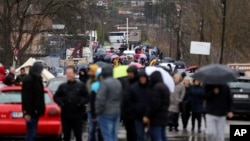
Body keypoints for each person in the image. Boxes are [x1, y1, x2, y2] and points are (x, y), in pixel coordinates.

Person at [54, 66, 89, 141]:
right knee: (66, 136)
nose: (68, 75)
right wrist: (61, 103)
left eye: (70, 73)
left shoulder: (80, 86)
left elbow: (87, 97)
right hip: (65, 115)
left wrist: (80, 103)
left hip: (77, 115)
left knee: (78, 135)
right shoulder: (63, 86)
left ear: (74, 74)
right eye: (67, 73)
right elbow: (56, 97)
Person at [95, 64, 123, 141]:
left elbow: (100, 98)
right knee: (114, 135)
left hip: (105, 112)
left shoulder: (104, 83)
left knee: (107, 135)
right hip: (117, 111)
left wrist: (97, 111)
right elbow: (121, 97)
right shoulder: (118, 82)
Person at [21, 62, 45, 141]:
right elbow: (26, 97)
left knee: (32, 133)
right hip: (31, 112)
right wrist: (27, 112)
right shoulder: (29, 80)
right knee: (30, 133)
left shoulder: (37, 79)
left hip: (35, 111)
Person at [143, 71, 170, 141]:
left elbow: (154, 104)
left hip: (156, 118)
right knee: (163, 136)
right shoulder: (165, 87)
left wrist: (147, 115)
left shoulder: (156, 88)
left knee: (157, 137)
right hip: (164, 115)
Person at [129, 70, 150, 141]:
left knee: (149, 136)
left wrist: (148, 115)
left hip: (149, 116)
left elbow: (153, 102)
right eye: (140, 77)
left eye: (144, 77)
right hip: (137, 117)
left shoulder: (150, 88)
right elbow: (131, 102)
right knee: (140, 136)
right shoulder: (134, 88)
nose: (142, 79)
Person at [120, 66, 138, 141]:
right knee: (129, 131)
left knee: (135, 132)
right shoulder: (125, 81)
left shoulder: (138, 82)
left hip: (136, 111)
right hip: (126, 111)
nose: (130, 74)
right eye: (129, 73)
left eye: (131, 73)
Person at [86, 64, 99, 141]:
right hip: (90, 108)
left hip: (99, 109)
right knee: (91, 130)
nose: (89, 73)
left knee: (98, 130)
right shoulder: (88, 81)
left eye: (91, 71)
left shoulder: (99, 81)